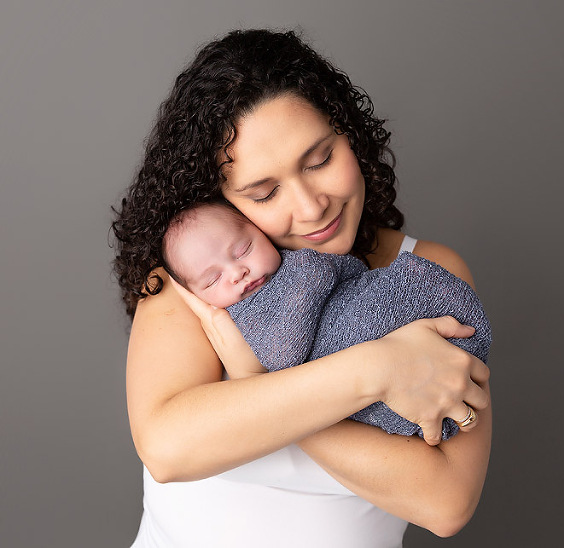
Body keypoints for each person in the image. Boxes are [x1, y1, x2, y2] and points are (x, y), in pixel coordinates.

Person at [112, 29, 492, 547]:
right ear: (220, 200)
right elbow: (167, 447)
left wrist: (255, 378)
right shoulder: (206, 278)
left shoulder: (425, 273)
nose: (312, 207)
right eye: (264, 192)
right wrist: (376, 370)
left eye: (319, 161)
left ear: (348, 134)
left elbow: (446, 502)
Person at [160, 201, 492, 439]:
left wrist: (254, 376)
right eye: (212, 280)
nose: (237, 273)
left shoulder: (301, 269)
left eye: (243, 249)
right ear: (193, 294)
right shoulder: (189, 312)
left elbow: (284, 353)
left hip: (407, 315)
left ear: (259, 231)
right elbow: (165, 453)